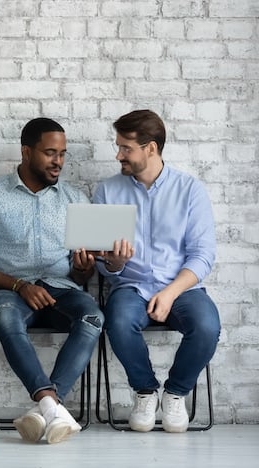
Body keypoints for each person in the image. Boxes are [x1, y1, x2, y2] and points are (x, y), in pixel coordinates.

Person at [0, 117, 103, 444]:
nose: (58, 162)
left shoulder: (74, 199)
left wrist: (84, 267)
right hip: (10, 291)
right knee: (5, 317)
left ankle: (47, 408)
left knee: (94, 315)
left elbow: (80, 271)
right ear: (26, 152)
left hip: (62, 289)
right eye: (50, 153)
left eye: (62, 154)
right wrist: (19, 286)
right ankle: (52, 407)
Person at [94, 109, 220, 433]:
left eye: (126, 148)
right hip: (131, 287)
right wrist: (115, 262)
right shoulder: (107, 192)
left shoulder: (190, 190)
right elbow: (100, 261)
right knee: (118, 322)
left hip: (180, 288)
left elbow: (203, 255)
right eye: (118, 146)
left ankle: (176, 394)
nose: (118, 154)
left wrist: (170, 293)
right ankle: (145, 391)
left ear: (150, 148)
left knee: (207, 326)